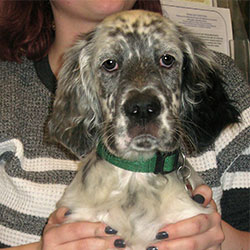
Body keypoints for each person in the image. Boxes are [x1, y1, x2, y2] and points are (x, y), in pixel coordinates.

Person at [0, 0, 249, 249]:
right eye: (110, 64)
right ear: (83, 86)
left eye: (166, 60)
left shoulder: (225, 73)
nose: (142, 105)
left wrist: (222, 240)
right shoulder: (6, 89)